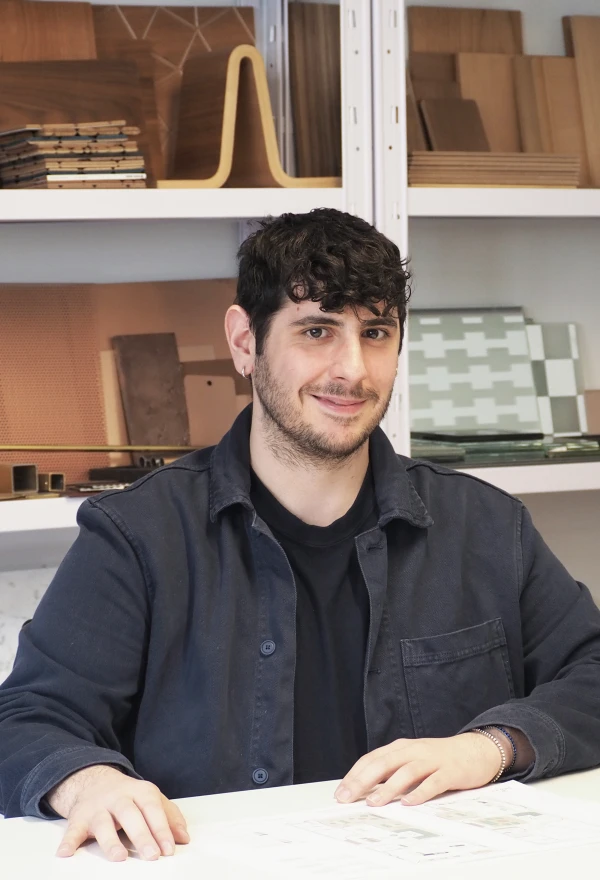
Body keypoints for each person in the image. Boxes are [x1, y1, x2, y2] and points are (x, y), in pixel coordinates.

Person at [1, 209, 600, 863]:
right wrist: (90, 783)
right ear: (244, 342)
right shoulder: (139, 535)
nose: (353, 370)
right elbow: (27, 718)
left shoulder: (487, 526)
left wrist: (492, 746)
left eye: (376, 332)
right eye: (317, 330)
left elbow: (591, 672)